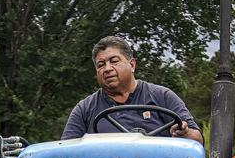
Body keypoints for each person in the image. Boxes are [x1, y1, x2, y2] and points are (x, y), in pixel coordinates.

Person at [61, 36, 204, 143]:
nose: (108, 69)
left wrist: (184, 133)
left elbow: (197, 140)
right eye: (101, 65)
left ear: (132, 65)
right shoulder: (84, 109)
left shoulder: (162, 96)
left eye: (114, 61)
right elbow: (66, 151)